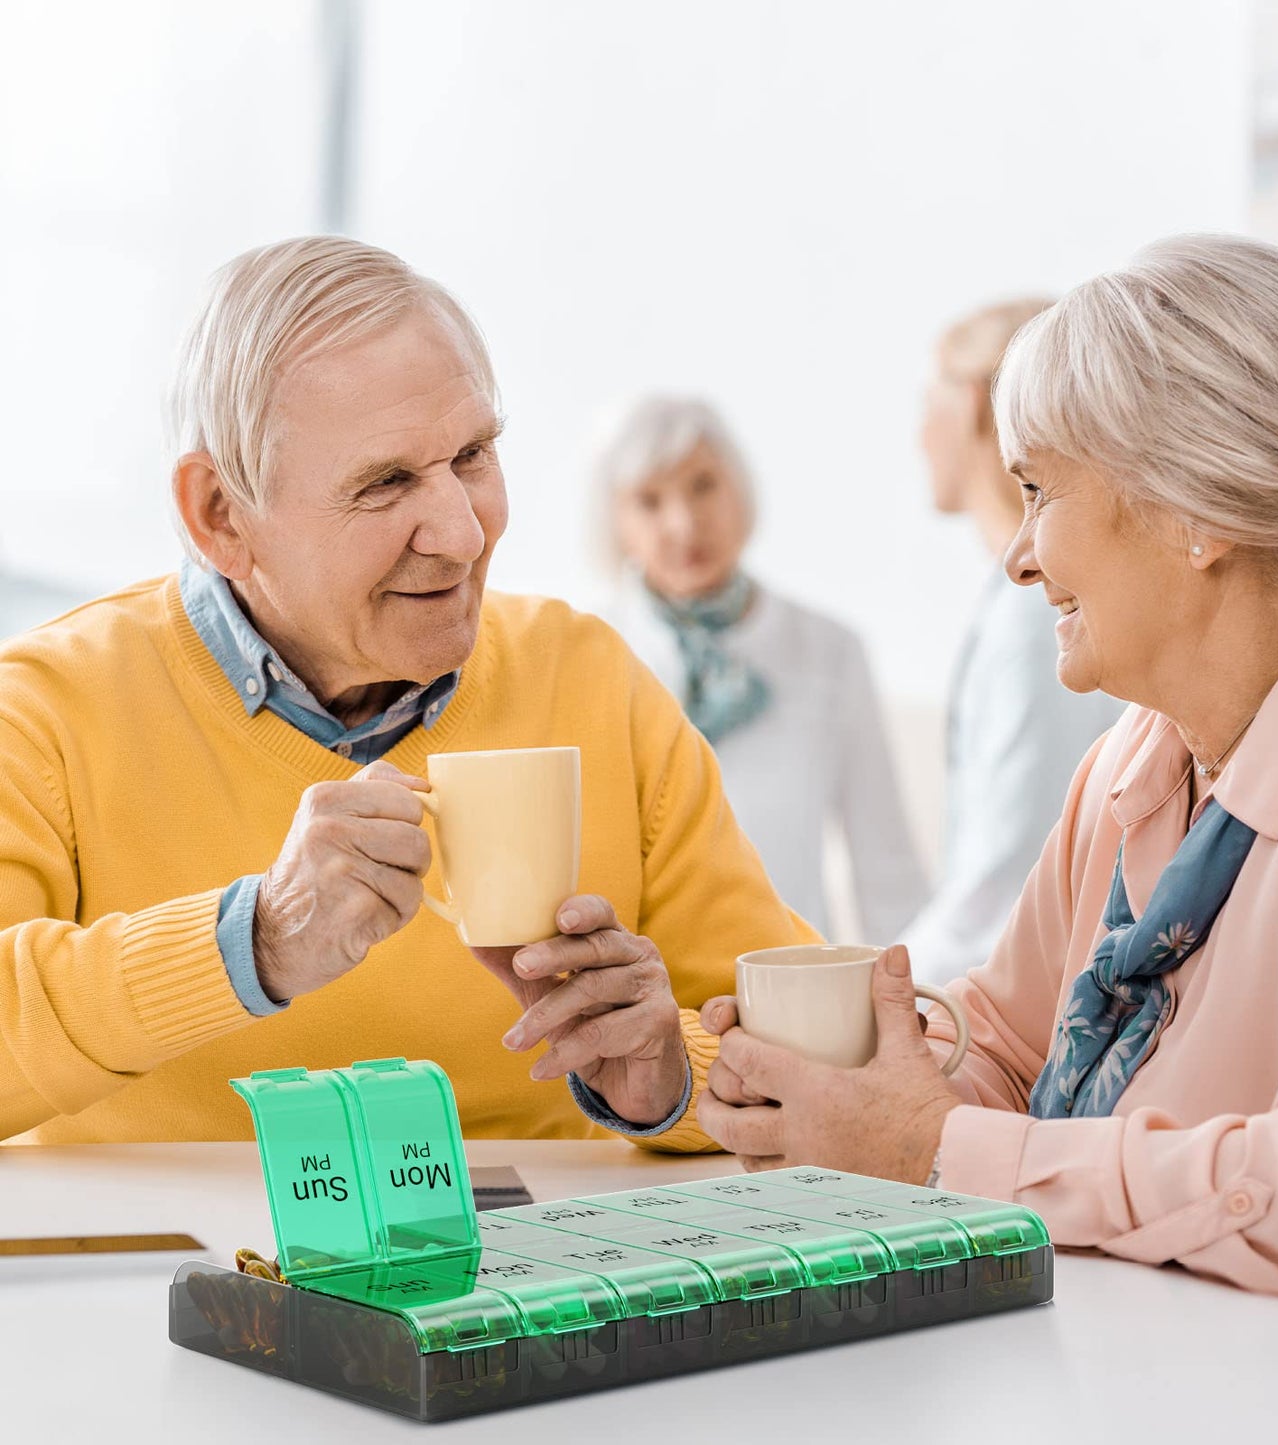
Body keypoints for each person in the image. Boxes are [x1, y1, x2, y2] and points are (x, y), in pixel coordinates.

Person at [690, 235, 1278, 1371]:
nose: (1018, 558)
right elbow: (1003, 1047)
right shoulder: (1137, 757)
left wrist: (940, 1150)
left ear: (1199, 507)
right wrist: (839, 1090)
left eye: (1038, 490)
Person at [0, 236, 815, 1147]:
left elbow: (795, 1057)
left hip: (532, 1272)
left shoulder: (588, 676)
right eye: (386, 483)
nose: (464, 534)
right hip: (152, 1280)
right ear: (220, 515)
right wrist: (253, 943)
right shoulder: (45, 708)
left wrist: (667, 1081)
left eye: (472, 454)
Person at [596, 396, 926, 942]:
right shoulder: (594, 651)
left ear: (739, 487)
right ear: (616, 522)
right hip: (643, 994)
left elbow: (887, 870)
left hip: (792, 986)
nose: (684, 523)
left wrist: (920, 1011)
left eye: (703, 485)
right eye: (650, 501)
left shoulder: (830, 650)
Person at [901, 301, 1125, 986]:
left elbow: (1004, 880)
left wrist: (867, 999)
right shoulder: (1027, 601)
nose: (917, 435)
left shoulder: (1038, 614)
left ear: (972, 404)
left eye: (924, 404)